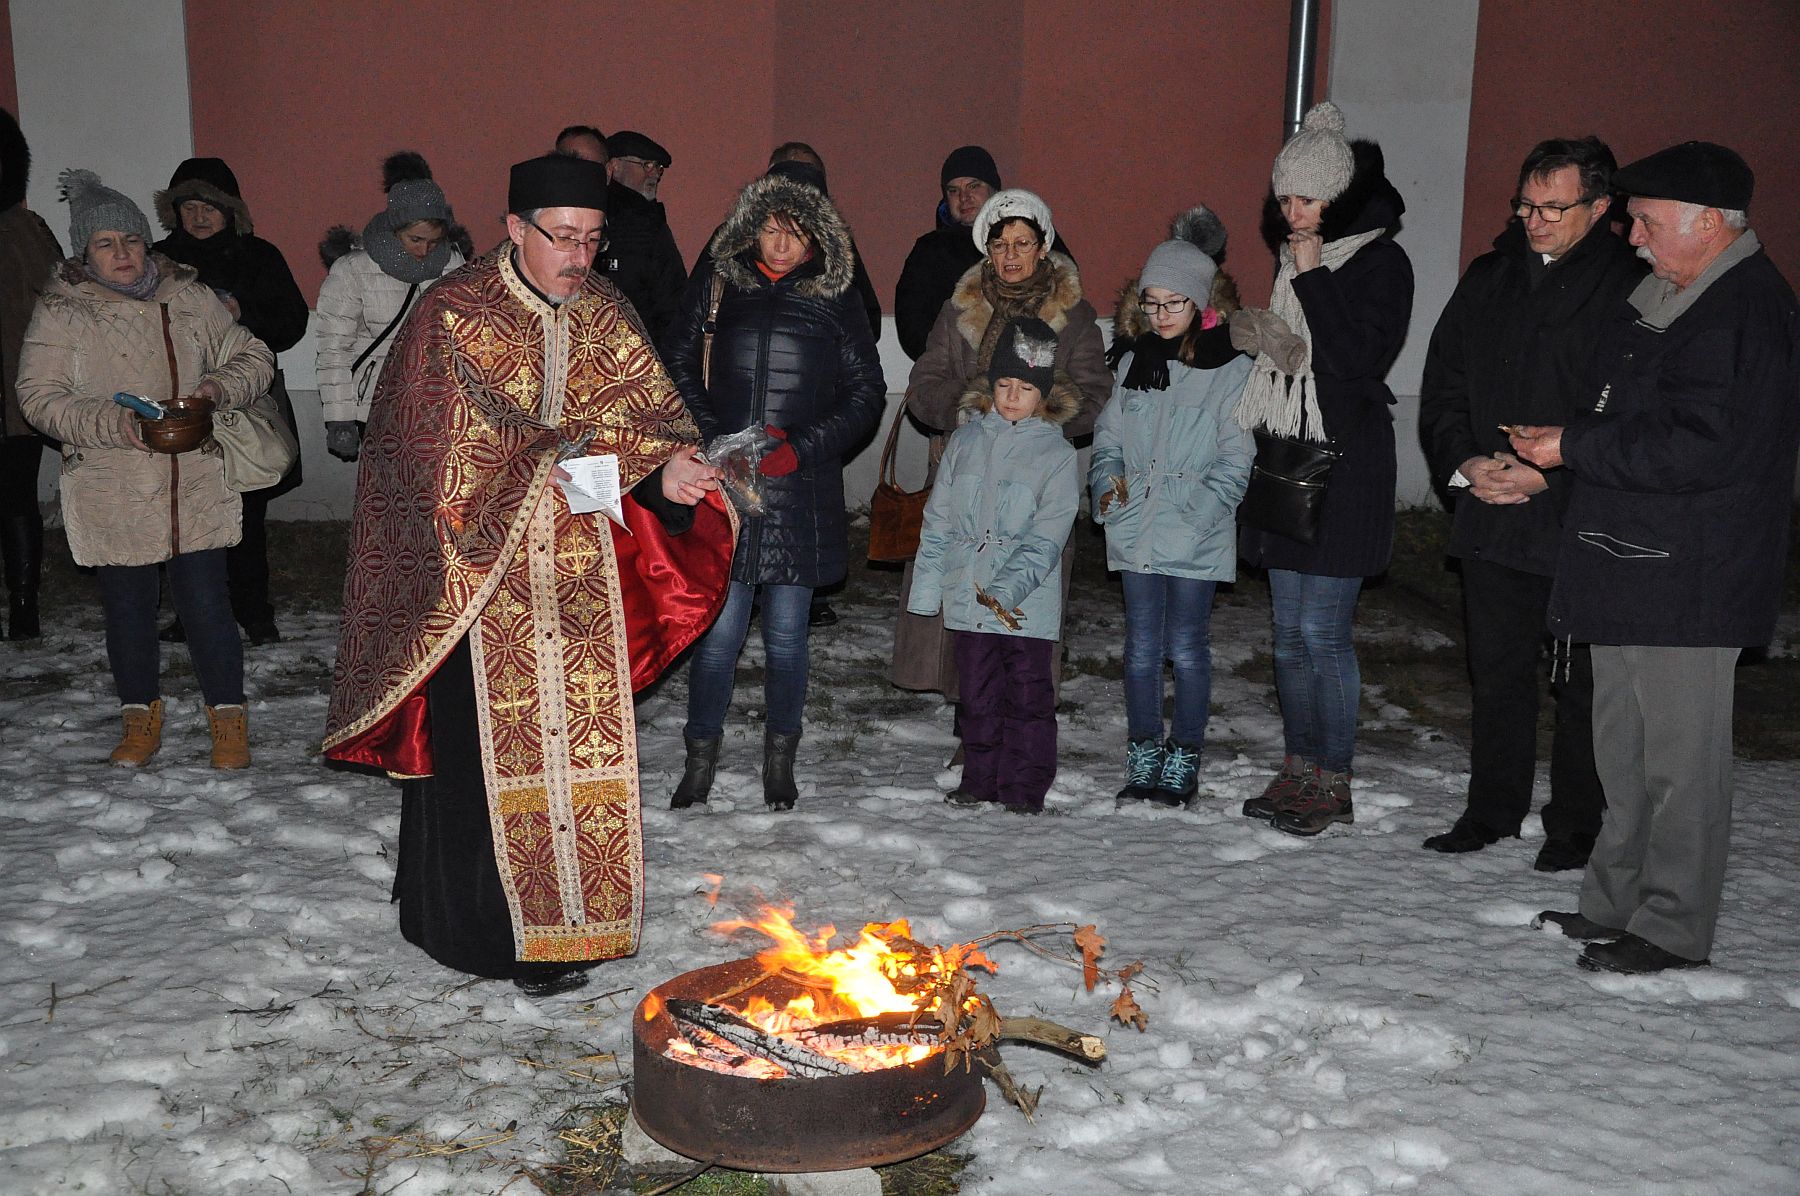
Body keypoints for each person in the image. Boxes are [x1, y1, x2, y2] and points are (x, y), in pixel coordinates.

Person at [323, 154, 735, 998]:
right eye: (562, 238)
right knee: (482, 766)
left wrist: (670, 475)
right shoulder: (451, 314)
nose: (580, 257)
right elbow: (430, 448)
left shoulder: (607, 311)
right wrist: (550, 456)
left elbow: (643, 422)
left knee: (580, 758)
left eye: (592, 239)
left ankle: (568, 928)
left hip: (580, 577)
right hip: (480, 580)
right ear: (516, 230)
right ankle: (478, 930)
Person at [1516, 141, 1800, 975]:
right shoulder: (1672, 294)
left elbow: (1696, 448)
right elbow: (1617, 413)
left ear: (1707, 224)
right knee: (1625, 754)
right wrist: (1553, 458)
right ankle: (1613, 903)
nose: (1632, 237)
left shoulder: (1744, 311)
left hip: (1693, 577)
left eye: (1645, 221)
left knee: (1681, 767)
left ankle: (1673, 926)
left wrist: (1572, 446)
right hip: (1632, 560)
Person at [1416, 137, 1643, 869]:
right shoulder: (1490, 277)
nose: (1534, 220)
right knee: (1499, 670)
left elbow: (1636, 407)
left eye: (1553, 208)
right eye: (1525, 205)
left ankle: (1577, 822)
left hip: (1582, 516)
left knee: (1581, 685)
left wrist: (1552, 472)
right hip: (1492, 508)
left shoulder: (1632, 286)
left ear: (1601, 207)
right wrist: (1465, 461)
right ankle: (1491, 810)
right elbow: (1445, 381)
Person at [18, 169, 273, 767]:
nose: (122, 254)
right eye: (105, 244)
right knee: (129, 607)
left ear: (147, 242)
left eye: (131, 241)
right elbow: (38, 396)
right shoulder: (64, 311)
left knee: (208, 603)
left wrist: (216, 389)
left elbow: (252, 353)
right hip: (115, 481)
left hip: (195, 480)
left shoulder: (188, 295)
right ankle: (140, 719)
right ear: (86, 253)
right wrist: (121, 426)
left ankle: (228, 722)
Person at [661, 171, 886, 811]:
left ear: (815, 233)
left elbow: (865, 393)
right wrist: (715, 437)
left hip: (799, 493)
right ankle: (698, 761)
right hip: (725, 487)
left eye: (794, 231)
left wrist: (799, 448)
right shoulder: (720, 282)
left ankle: (779, 765)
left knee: (787, 636)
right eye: (769, 228)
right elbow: (677, 357)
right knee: (720, 635)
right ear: (749, 227)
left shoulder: (835, 295)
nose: (781, 244)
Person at [1232, 101, 1414, 837]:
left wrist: (1311, 279)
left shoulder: (1378, 263)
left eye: (1307, 198)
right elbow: (1297, 360)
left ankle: (1331, 778)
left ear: (1338, 198)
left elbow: (1354, 362)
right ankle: (1298, 767)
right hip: (1288, 458)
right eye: (1284, 198)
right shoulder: (1293, 261)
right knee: (1285, 635)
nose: (1293, 212)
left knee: (1323, 634)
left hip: (1347, 467)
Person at [891, 189, 1109, 718]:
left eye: (1023, 243)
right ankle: (970, 715)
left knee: (1025, 601)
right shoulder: (958, 309)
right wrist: (965, 411)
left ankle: (1022, 713)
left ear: (1043, 247)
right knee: (960, 597)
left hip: (1032, 483)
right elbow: (925, 383)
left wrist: (1041, 413)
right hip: (964, 471)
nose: (1011, 255)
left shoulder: (1073, 317)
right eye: (1001, 244)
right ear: (986, 250)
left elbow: (1095, 392)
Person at [1092, 231, 1254, 807]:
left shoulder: (1229, 369)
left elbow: (1237, 457)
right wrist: (1109, 492)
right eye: (1151, 303)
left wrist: (1201, 514)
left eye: (1173, 304)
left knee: (1185, 647)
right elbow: (1110, 439)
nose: (1160, 316)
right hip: (1136, 527)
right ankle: (1143, 752)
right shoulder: (1134, 361)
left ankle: (1183, 752)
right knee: (1139, 647)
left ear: (1201, 305)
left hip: (1196, 532)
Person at [908, 317, 1079, 814]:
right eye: (1003, 384)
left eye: (1025, 388)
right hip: (968, 593)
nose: (1011, 396)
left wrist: (1005, 591)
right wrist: (927, 591)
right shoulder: (964, 443)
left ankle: (1024, 787)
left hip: (1024, 603)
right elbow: (938, 519)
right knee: (976, 692)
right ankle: (979, 778)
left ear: (1042, 394)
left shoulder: (1057, 455)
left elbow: (1049, 536)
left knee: (1027, 695)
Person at [152, 156, 310, 646]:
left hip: (247, 401)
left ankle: (253, 611)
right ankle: (193, 612)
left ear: (230, 211)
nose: (199, 216)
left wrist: (243, 310)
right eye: (189, 206)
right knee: (188, 512)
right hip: (180, 402)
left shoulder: (258, 256)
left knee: (246, 513)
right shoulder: (157, 262)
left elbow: (291, 322)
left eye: (210, 207)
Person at [315, 153, 464, 464]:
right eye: (416, 239)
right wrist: (339, 418)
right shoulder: (353, 269)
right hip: (375, 404)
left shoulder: (451, 263)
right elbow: (334, 349)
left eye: (434, 242)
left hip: (434, 401)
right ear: (395, 229)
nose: (424, 251)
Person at [893, 146, 1073, 362]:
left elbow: (1067, 300)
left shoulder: (1034, 234)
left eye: (974, 186)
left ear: (993, 189)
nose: (964, 197)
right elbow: (913, 327)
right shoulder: (930, 251)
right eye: (953, 191)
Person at [0, 107, 63, 641]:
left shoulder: (25, 230)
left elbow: (60, 306)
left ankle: (23, 606)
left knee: (16, 494)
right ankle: (21, 609)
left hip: (18, 389)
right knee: (15, 494)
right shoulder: (31, 230)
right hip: (21, 389)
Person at [600, 130, 686, 347]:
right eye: (646, 165)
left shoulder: (648, 220)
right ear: (614, 166)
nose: (655, 173)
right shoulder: (643, 222)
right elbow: (672, 301)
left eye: (658, 167)